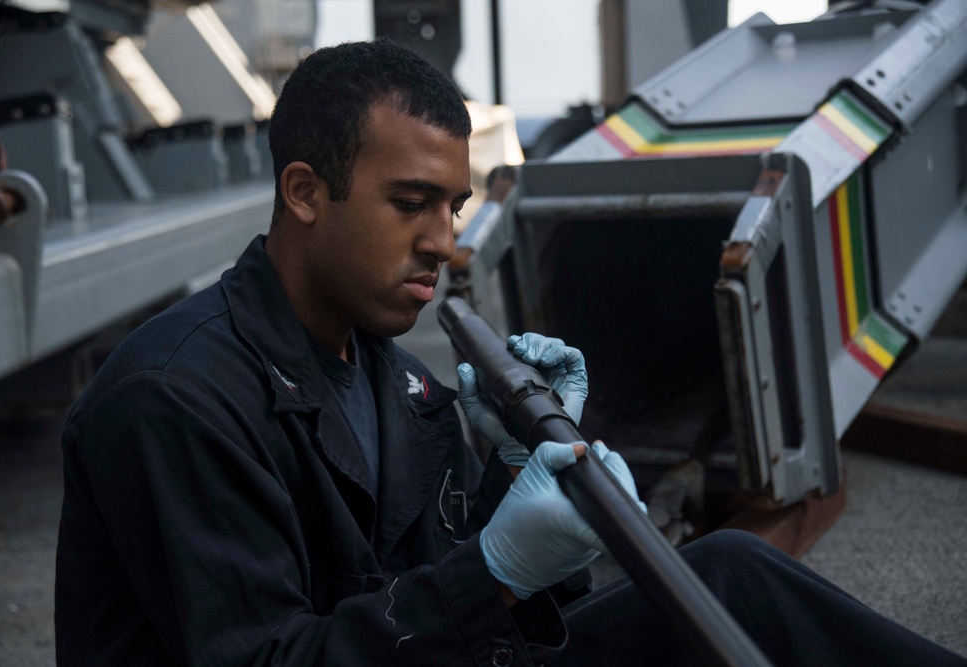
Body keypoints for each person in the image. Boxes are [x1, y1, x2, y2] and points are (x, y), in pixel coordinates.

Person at [54, 39, 966, 667]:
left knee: (730, 576)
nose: (444, 243)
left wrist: (517, 477)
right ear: (304, 191)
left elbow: (484, 608)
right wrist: (492, 566)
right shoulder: (174, 398)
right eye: (409, 203)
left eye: (452, 208)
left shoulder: (398, 380)